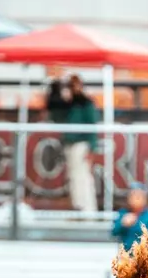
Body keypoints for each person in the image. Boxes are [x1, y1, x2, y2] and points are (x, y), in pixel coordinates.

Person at [48, 75, 99, 213]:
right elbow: (56, 116)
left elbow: (92, 126)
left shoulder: (85, 103)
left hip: (81, 144)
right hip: (70, 144)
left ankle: (87, 208)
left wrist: (92, 148)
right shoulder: (70, 104)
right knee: (74, 176)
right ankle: (79, 206)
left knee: (82, 176)